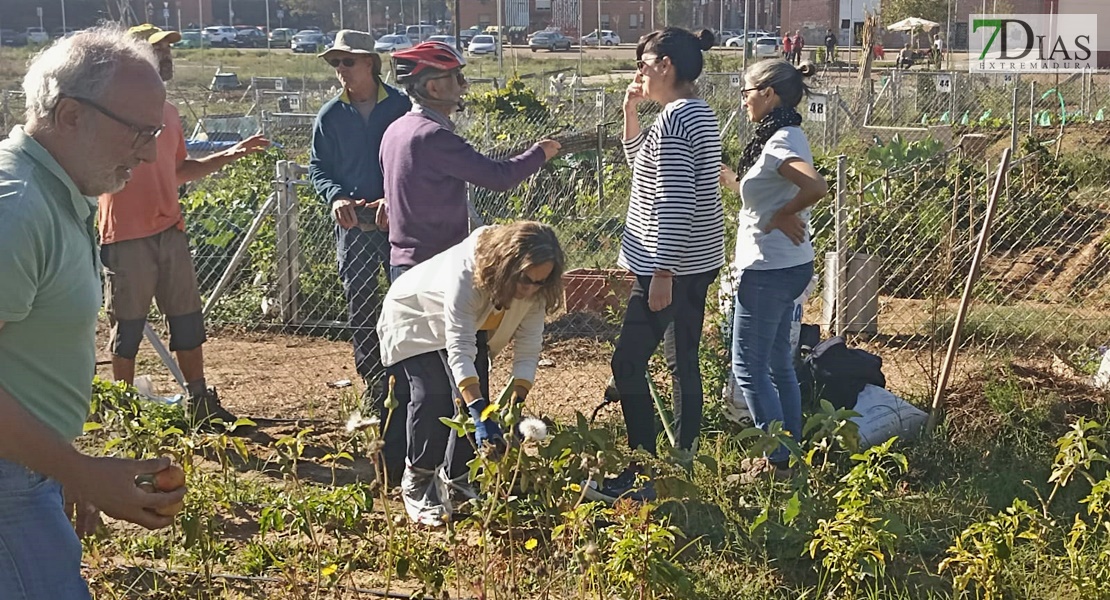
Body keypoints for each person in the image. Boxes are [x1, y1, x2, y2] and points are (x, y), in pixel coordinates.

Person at [0, 27, 187, 598]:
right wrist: (79, 471)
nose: (151, 152)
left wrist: (61, 465)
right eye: (138, 131)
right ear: (71, 116)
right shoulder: (18, 209)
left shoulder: (57, 192)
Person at [98, 24, 270, 429]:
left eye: (168, 51)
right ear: (134, 58)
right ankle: (125, 416)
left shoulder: (170, 114)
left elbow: (177, 172)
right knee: (128, 331)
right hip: (125, 236)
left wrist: (229, 154)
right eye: (159, 50)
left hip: (170, 231)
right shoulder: (107, 112)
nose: (168, 57)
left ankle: (199, 402)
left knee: (188, 322)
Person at [587, 27, 724, 504]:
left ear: (666, 65)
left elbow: (674, 200)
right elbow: (642, 163)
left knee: (626, 362)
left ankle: (641, 471)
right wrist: (630, 113)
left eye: (643, 64)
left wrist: (662, 271)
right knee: (682, 360)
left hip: (669, 266)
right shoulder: (695, 115)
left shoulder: (674, 123)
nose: (638, 73)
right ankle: (680, 465)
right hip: (696, 261)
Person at [377, 222, 565, 526]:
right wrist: (479, 411)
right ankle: (418, 480)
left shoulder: (537, 289)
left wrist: (513, 407)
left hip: (469, 327)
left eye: (539, 282)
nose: (530, 288)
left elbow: (528, 348)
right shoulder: (468, 273)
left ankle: (458, 477)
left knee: (479, 400)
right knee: (435, 396)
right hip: (415, 315)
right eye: (526, 279)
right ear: (509, 264)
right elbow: (460, 347)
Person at [309, 29, 412, 479]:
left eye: (347, 62)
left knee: (405, 300)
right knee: (360, 303)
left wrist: (396, 195)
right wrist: (334, 197)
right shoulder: (331, 116)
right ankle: (374, 383)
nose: (341, 71)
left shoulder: (402, 108)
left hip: (397, 224)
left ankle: (408, 378)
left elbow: (415, 158)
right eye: (336, 63)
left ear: (370, 63)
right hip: (354, 225)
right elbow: (318, 167)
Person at [719, 60, 828, 481]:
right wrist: (732, 180)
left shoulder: (779, 142)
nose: (743, 99)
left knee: (748, 366)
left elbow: (815, 187)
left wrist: (785, 213)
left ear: (767, 93)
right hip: (790, 266)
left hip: (767, 271)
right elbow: (761, 194)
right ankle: (792, 454)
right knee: (780, 363)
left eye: (746, 91)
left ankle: (778, 462)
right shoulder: (787, 133)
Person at [379, 41, 561, 275]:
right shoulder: (434, 137)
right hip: (434, 267)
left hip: (401, 265)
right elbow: (499, 177)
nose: (464, 85)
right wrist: (540, 153)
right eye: (456, 77)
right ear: (433, 88)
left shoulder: (394, 130)